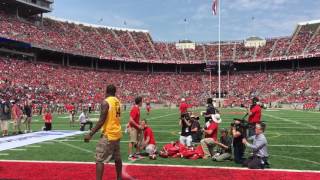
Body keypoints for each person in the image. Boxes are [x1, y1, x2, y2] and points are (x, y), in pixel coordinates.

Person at [84, 84, 122, 180]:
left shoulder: (106, 102)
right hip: (117, 133)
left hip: (108, 134)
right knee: (117, 158)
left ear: (107, 92)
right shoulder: (117, 101)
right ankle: (119, 178)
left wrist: (90, 134)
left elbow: (101, 121)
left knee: (99, 159)